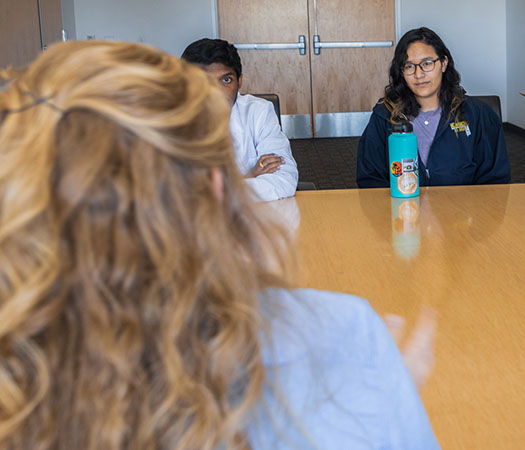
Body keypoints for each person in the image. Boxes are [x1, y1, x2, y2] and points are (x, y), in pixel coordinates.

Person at [0, 41, 438, 449]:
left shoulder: (20, 374)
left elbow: (283, 175)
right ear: (214, 184)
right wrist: (384, 397)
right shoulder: (337, 333)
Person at [357, 27, 511, 188]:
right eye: (409, 66)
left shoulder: (478, 115)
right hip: (401, 210)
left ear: (443, 63)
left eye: (427, 63)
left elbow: (495, 180)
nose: (418, 74)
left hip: (463, 210)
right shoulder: (384, 115)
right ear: (401, 72)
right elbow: (370, 179)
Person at [181, 38, 299, 201]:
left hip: (253, 219)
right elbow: (176, 193)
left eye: (226, 80)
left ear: (240, 81)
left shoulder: (259, 111)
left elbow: (284, 180)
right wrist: (248, 176)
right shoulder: (170, 121)